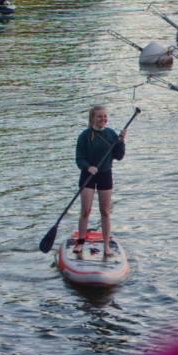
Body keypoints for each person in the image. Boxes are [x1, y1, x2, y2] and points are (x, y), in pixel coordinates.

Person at [73, 105, 127, 258]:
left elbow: (118, 156)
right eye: (99, 116)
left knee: (105, 212)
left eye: (105, 116)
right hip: (88, 176)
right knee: (86, 211)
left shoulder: (111, 134)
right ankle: (81, 241)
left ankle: (106, 246)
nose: (103, 119)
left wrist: (121, 141)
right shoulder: (84, 136)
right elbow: (79, 158)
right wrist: (88, 167)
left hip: (105, 174)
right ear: (92, 119)